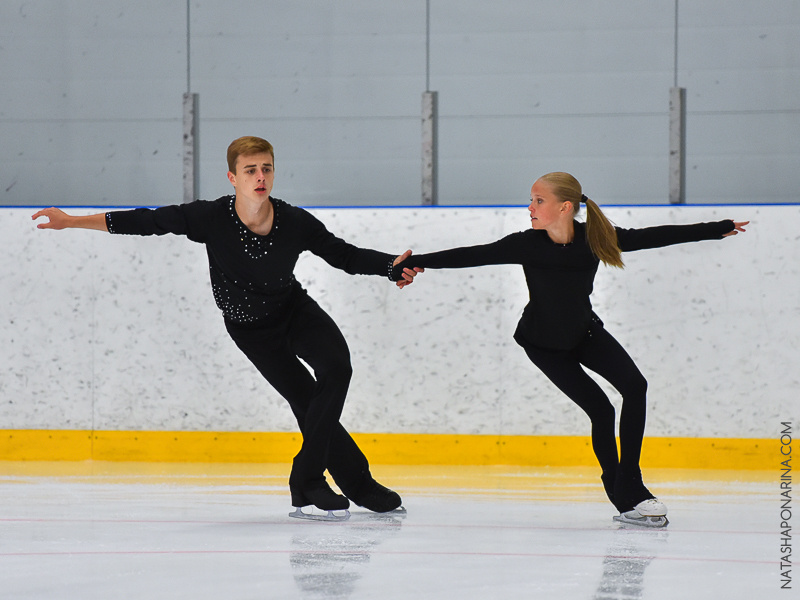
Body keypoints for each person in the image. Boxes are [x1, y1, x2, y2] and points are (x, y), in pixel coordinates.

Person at [33, 136, 418, 520]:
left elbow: (344, 255)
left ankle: (309, 478)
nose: (260, 176)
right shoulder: (210, 217)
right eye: (250, 170)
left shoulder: (294, 221)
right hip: (252, 331)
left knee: (337, 368)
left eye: (266, 168)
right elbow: (147, 221)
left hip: (293, 310)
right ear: (233, 178)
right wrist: (72, 222)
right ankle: (354, 485)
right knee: (305, 399)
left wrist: (389, 266)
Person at [393, 171, 748, 527]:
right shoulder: (526, 244)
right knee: (601, 410)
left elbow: (652, 237)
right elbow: (472, 255)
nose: (530, 207)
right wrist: (414, 261)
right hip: (544, 346)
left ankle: (631, 482)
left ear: (565, 207)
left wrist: (716, 228)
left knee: (635, 386)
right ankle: (621, 493)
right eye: (531, 200)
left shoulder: (595, 238)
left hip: (585, 333)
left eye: (538, 200)